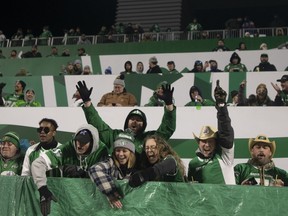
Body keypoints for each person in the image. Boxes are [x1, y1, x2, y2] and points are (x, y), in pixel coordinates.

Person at [76, 80, 176, 167]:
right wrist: (87, 102)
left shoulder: (149, 138)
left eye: (139, 120)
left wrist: (169, 105)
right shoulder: (114, 136)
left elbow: (167, 129)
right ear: (127, 122)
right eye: (132, 119)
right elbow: (98, 124)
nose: (135, 121)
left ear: (144, 124)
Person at [31, 124, 109, 215]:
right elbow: (37, 164)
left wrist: (84, 173)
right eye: (78, 140)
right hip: (70, 201)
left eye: (84, 142)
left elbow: (107, 177)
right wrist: (42, 189)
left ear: (92, 143)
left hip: (94, 203)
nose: (79, 144)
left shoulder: (101, 150)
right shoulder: (68, 148)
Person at [188, 80, 235, 184]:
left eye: (211, 141)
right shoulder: (193, 163)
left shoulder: (224, 155)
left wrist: (221, 106)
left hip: (227, 200)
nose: (207, 145)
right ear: (198, 142)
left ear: (216, 142)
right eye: (204, 141)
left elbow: (226, 133)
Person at [88, 132, 137, 209]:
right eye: (117, 150)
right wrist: (111, 193)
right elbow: (94, 169)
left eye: (124, 151)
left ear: (131, 153)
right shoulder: (111, 163)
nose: (120, 154)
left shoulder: (138, 166)